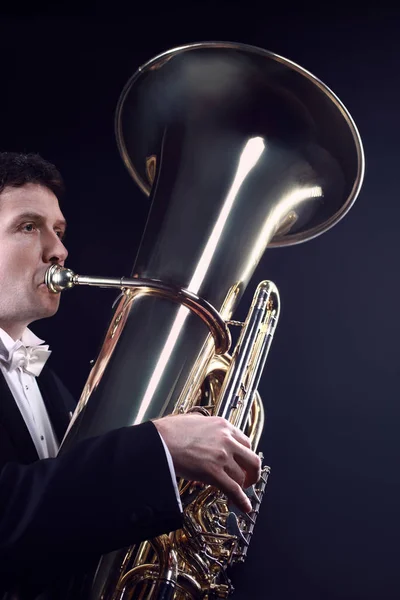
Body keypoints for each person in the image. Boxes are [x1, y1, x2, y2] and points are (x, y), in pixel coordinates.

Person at [0, 152, 261, 598]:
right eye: (29, 226)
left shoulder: (57, 393)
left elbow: (65, 526)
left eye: (59, 231)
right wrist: (159, 447)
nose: (58, 249)